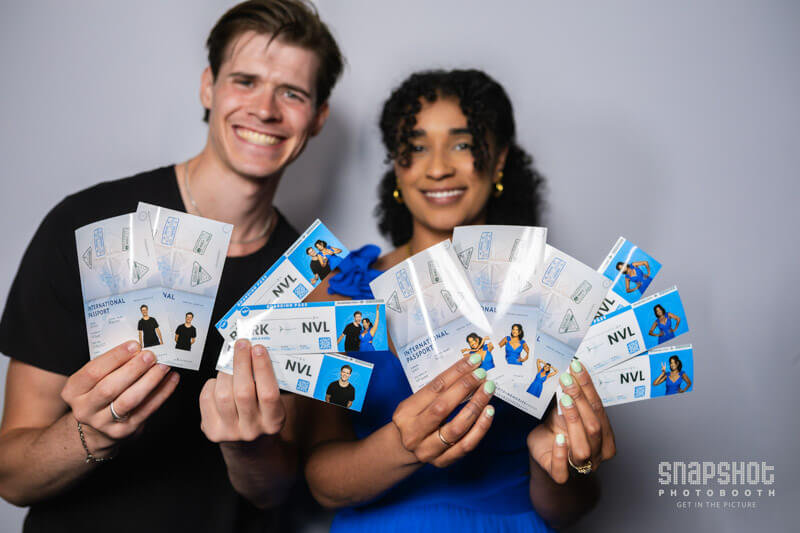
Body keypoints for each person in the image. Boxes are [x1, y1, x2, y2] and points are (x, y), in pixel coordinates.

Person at [0, 2, 344, 531]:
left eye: (292, 93)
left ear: (317, 117)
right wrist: (91, 432)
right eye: (245, 80)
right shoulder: (89, 225)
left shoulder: (314, 278)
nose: (266, 109)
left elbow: (276, 492)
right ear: (208, 88)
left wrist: (249, 450)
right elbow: (12, 477)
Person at [301, 69, 616, 531]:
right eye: (417, 146)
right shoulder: (340, 290)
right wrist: (402, 446)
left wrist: (567, 464)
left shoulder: (553, 294)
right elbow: (320, 482)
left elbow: (572, 507)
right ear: (396, 165)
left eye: (463, 144)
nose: (438, 167)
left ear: (500, 159)